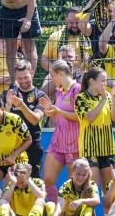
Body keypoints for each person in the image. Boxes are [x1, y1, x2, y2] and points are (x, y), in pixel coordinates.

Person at [40, 60, 81, 202]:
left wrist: (58, 111)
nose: (52, 79)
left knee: (74, 185)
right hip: (58, 141)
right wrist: (49, 109)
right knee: (48, 179)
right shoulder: (59, 91)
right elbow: (56, 113)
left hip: (75, 143)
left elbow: (80, 117)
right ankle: (54, 209)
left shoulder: (77, 89)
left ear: (61, 73)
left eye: (53, 76)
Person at [75, 68, 115, 193]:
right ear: (91, 81)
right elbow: (90, 117)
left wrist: (112, 97)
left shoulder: (106, 96)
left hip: (107, 147)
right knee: (91, 188)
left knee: (109, 189)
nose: (105, 84)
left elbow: (114, 118)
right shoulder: (81, 98)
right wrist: (104, 99)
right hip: (89, 148)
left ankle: (108, 213)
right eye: (103, 81)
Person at [6, 60, 48, 178]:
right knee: (12, 182)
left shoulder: (40, 96)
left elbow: (35, 120)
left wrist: (21, 105)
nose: (23, 81)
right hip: (13, 146)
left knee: (33, 182)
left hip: (33, 146)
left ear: (32, 73)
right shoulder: (11, 94)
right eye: (20, 78)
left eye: (26, 77)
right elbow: (4, 119)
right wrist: (8, 105)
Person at [0, 94, 32, 183]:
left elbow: (28, 140)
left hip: (17, 160)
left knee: (10, 189)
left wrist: (13, 156)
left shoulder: (14, 120)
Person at [42, 6, 93, 97]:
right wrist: (56, 71)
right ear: (66, 20)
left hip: (81, 75)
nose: (74, 25)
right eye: (71, 22)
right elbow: (43, 59)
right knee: (47, 83)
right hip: (59, 75)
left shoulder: (89, 38)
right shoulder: (55, 37)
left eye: (77, 22)